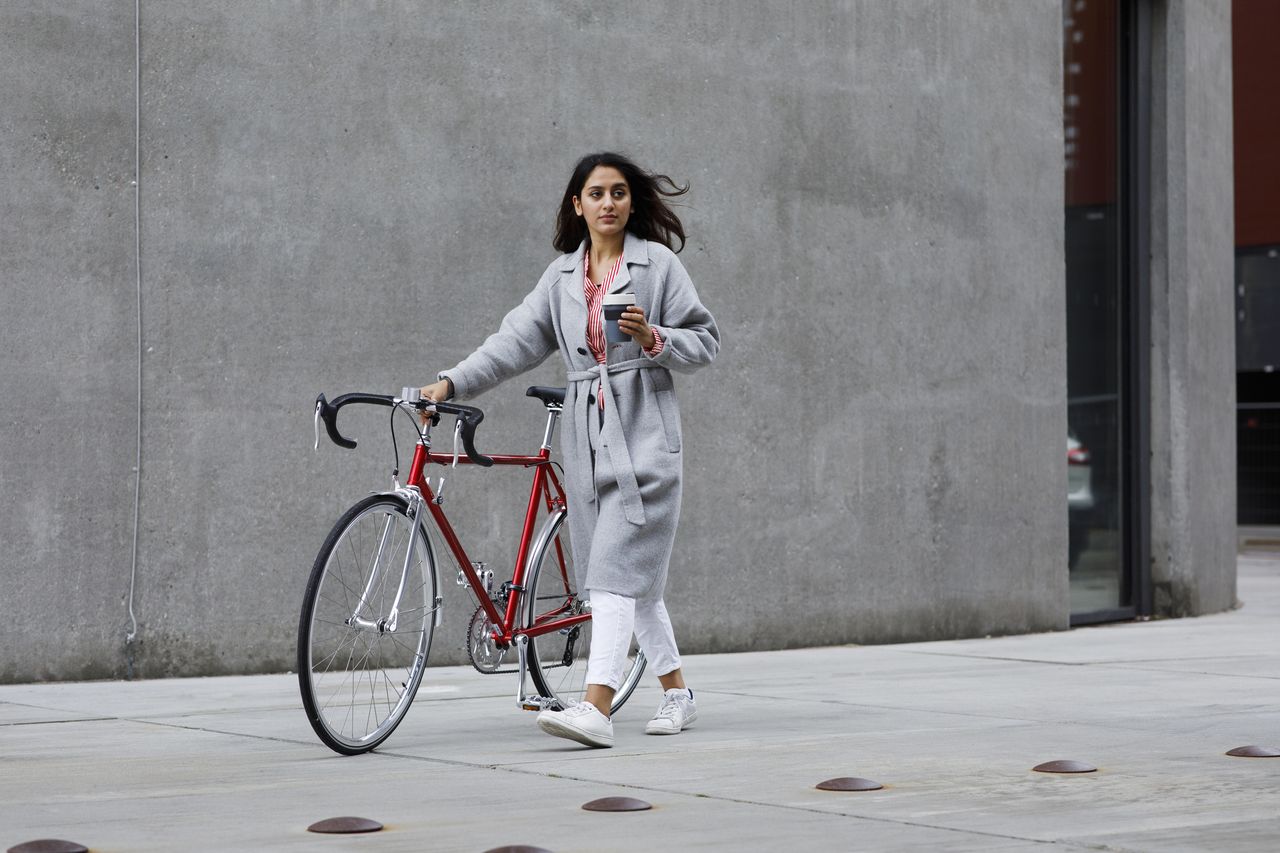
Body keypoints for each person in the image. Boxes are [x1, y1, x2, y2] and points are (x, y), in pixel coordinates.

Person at [419, 152, 719, 748]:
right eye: (596, 193)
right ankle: (678, 693)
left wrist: (652, 337)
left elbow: (705, 341)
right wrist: (451, 382)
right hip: (584, 441)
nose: (609, 203)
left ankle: (596, 706)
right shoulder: (561, 279)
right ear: (577, 204)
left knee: (610, 573)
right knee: (637, 585)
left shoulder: (657, 266)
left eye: (619, 193)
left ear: (632, 203)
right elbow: (513, 343)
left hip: (646, 438)